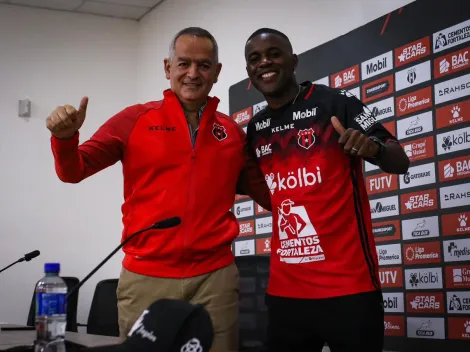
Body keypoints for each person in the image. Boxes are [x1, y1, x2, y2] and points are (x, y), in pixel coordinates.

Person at [46, 27, 271, 352]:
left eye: (204, 65)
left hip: (215, 278)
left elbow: (270, 192)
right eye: (184, 64)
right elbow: (73, 170)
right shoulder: (134, 120)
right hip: (146, 277)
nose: (193, 73)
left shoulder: (232, 133)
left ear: (217, 72)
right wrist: (65, 139)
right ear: (168, 68)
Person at [244, 28, 410, 352]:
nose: (265, 62)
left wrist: (373, 149)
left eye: (274, 53)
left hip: (349, 289)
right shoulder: (256, 127)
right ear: (250, 72)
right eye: (255, 58)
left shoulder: (335, 103)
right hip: (285, 294)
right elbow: (272, 197)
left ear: (293, 61)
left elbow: (399, 160)